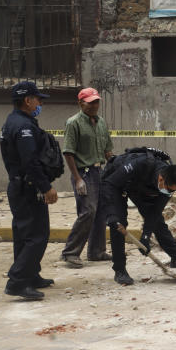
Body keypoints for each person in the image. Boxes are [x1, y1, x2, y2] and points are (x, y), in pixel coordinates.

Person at [99, 148, 176, 285]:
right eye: (169, 189)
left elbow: (154, 213)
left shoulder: (167, 187)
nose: (169, 192)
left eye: (173, 190)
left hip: (139, 187)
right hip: (116, 183)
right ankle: (120, 270)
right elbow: (109, 184)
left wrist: (146, 236)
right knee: (118, 223)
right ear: (161, 178)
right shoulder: (141, 164)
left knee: (157, 221)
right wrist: (111, 213)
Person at [0, 81, 58, 300]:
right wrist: (46, 187)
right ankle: (17, 282)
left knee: (24, 235)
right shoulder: (23, 127)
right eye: (38, 99)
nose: (40, 103)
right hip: (28, 187)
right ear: (27, 100)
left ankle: (31, 275)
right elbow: (30, 162)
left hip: (19, 185)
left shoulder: (13, 121)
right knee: (37, 235)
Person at [60, 88, 114, 267]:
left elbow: (107, 150)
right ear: (80, 103)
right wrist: (77, 179)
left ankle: (97, 251)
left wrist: (115, 168)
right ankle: (70, 253)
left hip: (100, 172)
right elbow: (68, 152)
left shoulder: (101, 122)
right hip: (84, 173)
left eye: (96, 102)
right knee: (88, 212)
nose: (94, 106)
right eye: (90, 102)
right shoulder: (73, 123)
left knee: (100, 213)